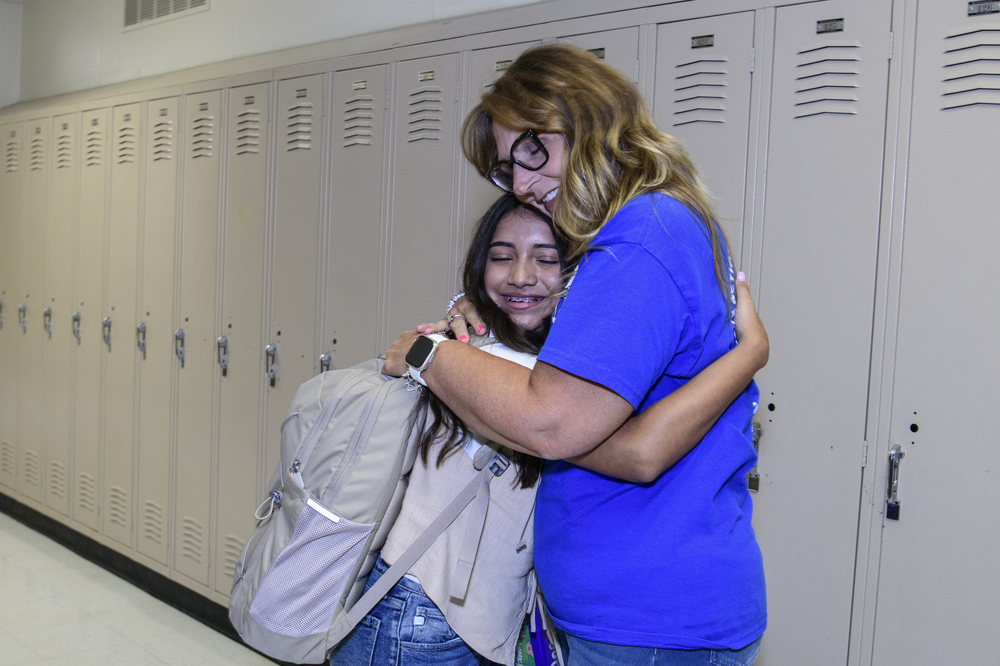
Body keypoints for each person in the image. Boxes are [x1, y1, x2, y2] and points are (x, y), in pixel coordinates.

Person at [385, 43, 767, 666]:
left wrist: (432, 356)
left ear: (591, 120)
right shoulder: (646, 229)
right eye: (508, 168)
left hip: (649, 619)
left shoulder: (639, 240)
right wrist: (488, 331)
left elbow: (553, 422)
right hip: (636, 615)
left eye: (534, 150)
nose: (524, 185)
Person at [336, 192, 768, 666]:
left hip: (476, 619)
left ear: (582, 277)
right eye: (501, 258)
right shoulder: (490, 367)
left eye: (547, 260)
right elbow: (635, 451)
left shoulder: (549, 365)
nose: (521, 275)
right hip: (420, 613)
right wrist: (747, 354)